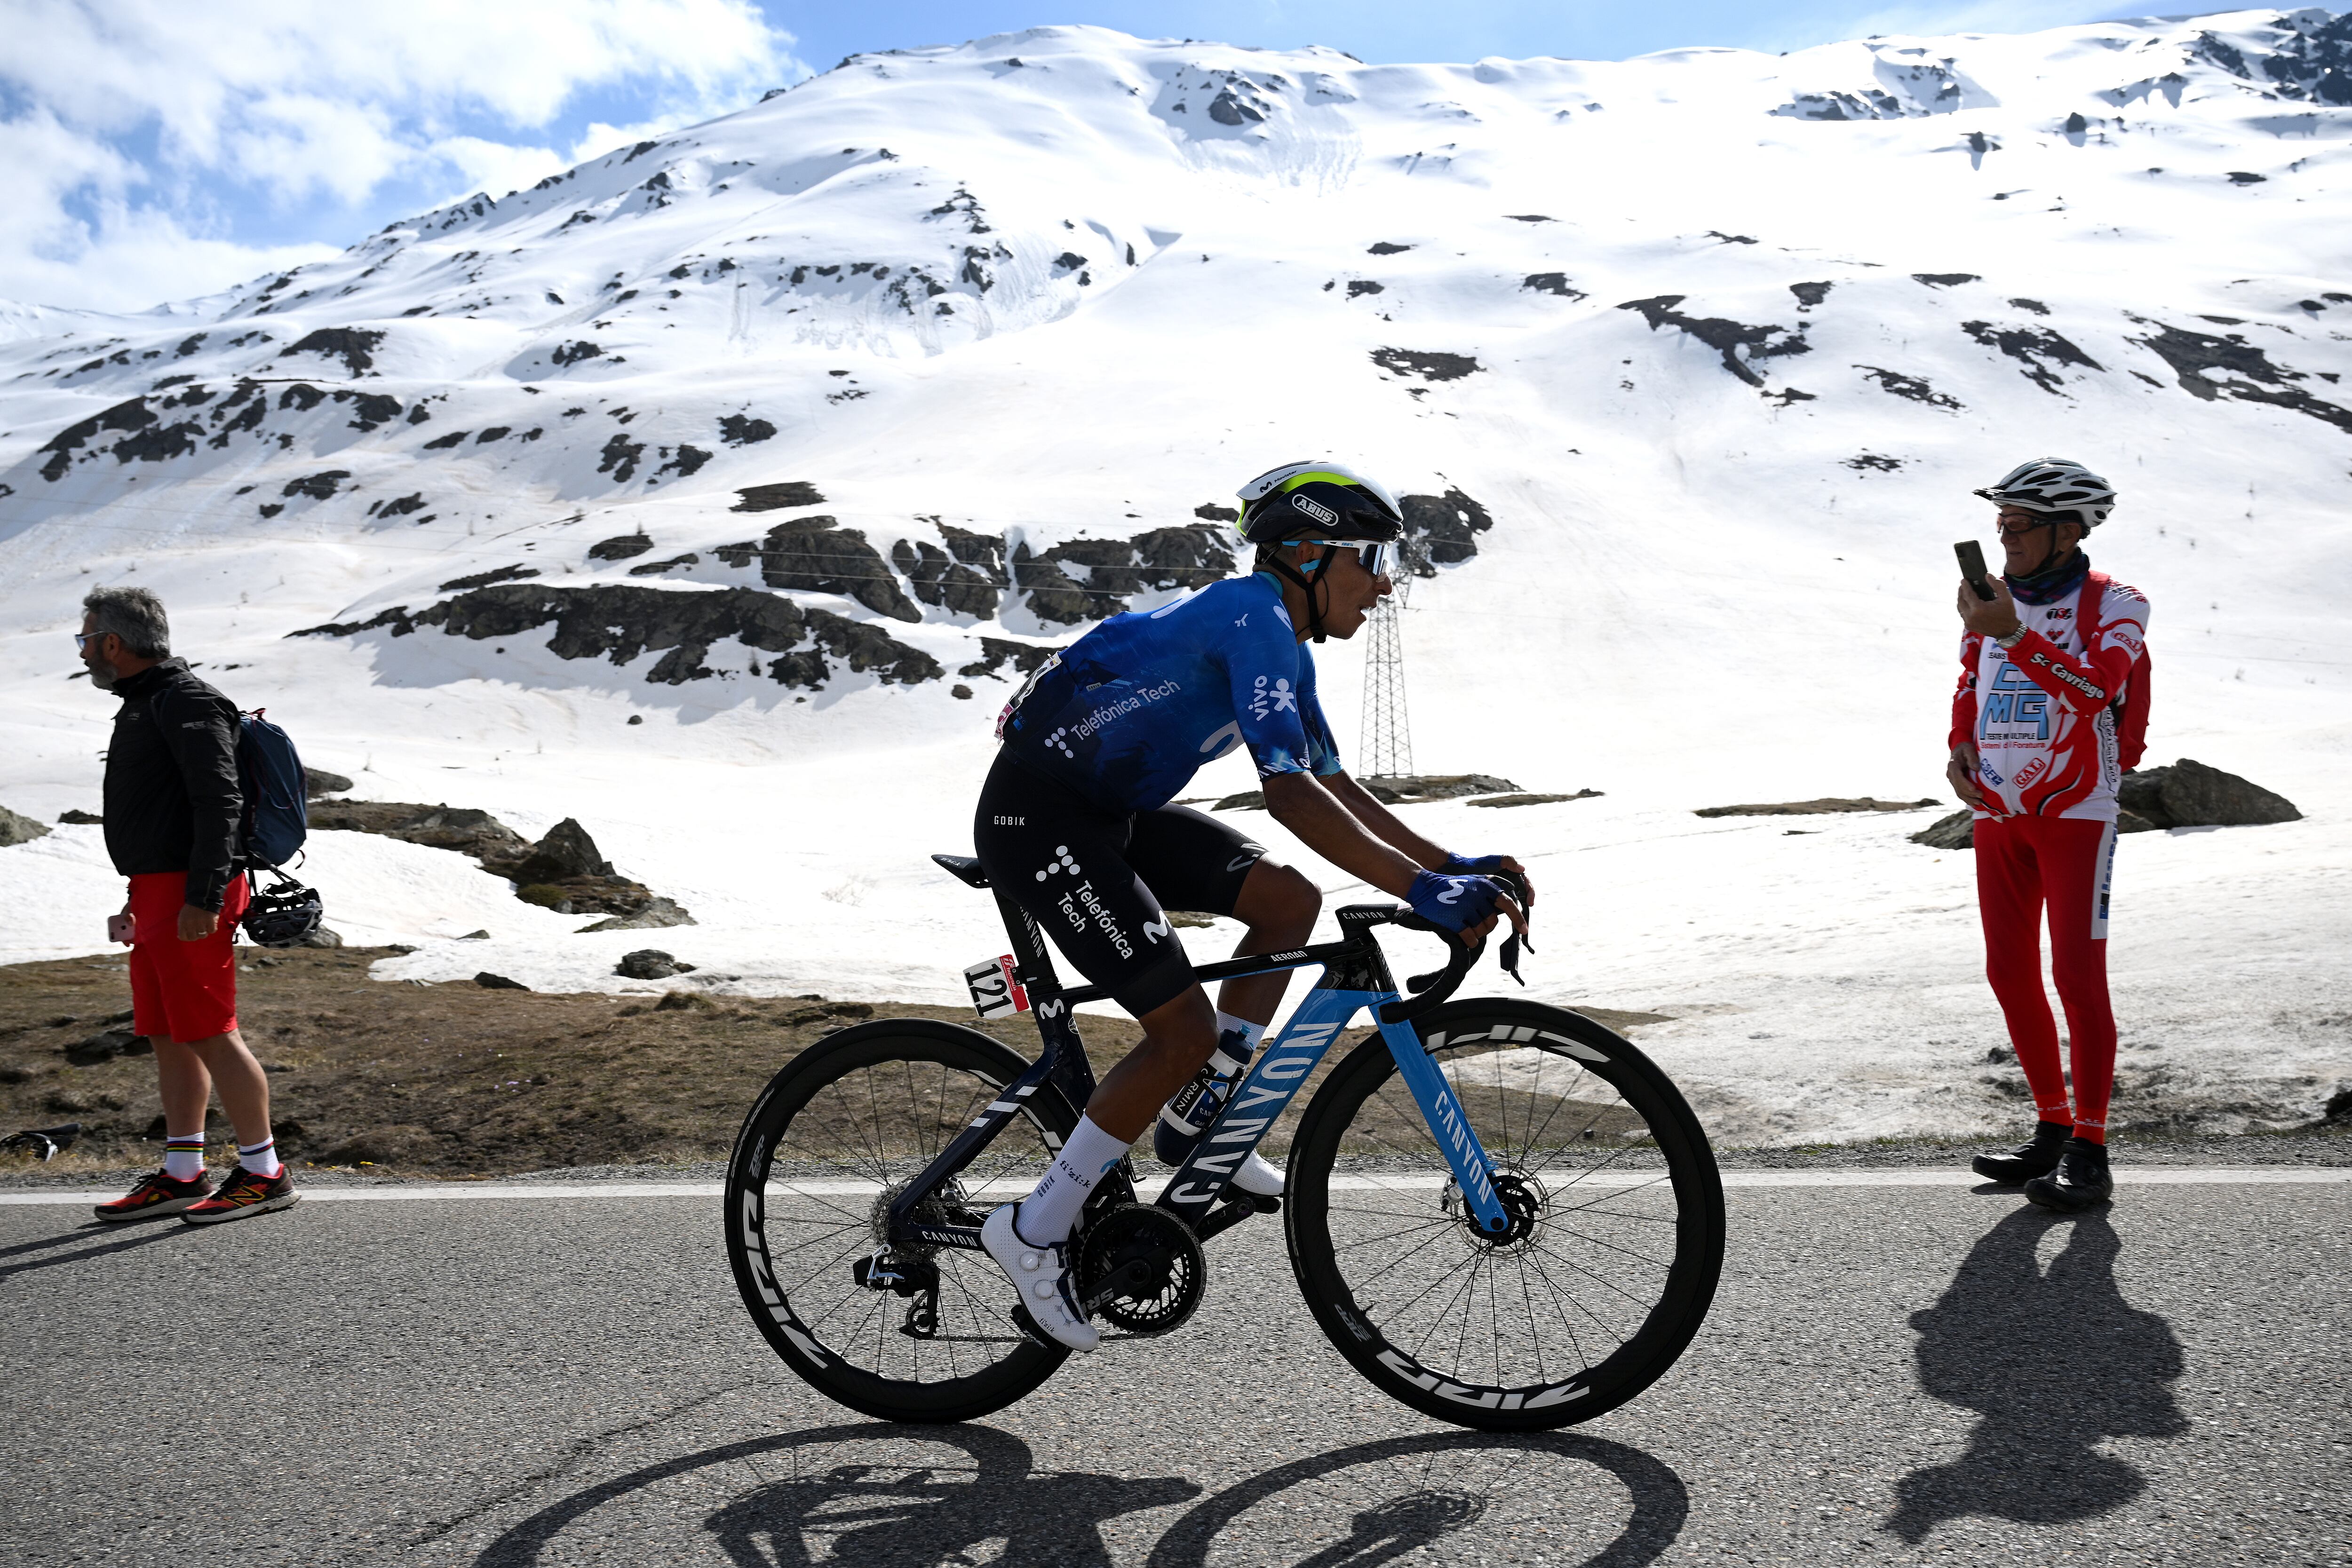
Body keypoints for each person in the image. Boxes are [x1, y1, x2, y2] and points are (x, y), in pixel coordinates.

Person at [972, 461, 1529, 1350]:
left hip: (1108, 814)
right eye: (1370, 560)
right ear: (1308, 553)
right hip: (1037, 819)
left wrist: (1452, 864)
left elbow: (1331, 782)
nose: (1384, 585)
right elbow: (1289, 797)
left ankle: (1200, 1120)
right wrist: (1424, 891)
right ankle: (1033, 1229)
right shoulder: (1253, 620)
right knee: (1180, 1031)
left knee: (1286, 900)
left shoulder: (1283, 642)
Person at [1946, 459, 2149, 1213]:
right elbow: (1971, 680)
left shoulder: (2118, 602)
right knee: (2008, 971)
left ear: (2069, 532)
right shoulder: (1992, 599)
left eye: (2020, 524)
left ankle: (2090, 1151)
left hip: (2077, 811)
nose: (2005, 537)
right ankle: (2052, 1126)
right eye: (2000, 523)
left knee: (2077, 976)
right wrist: (1958, 746)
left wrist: (2012, 633)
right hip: (1998, 809)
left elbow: (2097, 690)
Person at [78, 587, 300, 1225]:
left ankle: (265, 1172)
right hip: (159, 890)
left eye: (87, 639)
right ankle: (183, 1173)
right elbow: (165, 815)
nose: (84, 651)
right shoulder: (147, 703)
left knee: (209, 1030)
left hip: (192, 892)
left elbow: (219, 801)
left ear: (113, 643)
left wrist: (202, 897)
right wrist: (136, 899)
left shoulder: (187, 700)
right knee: (168, 1031)